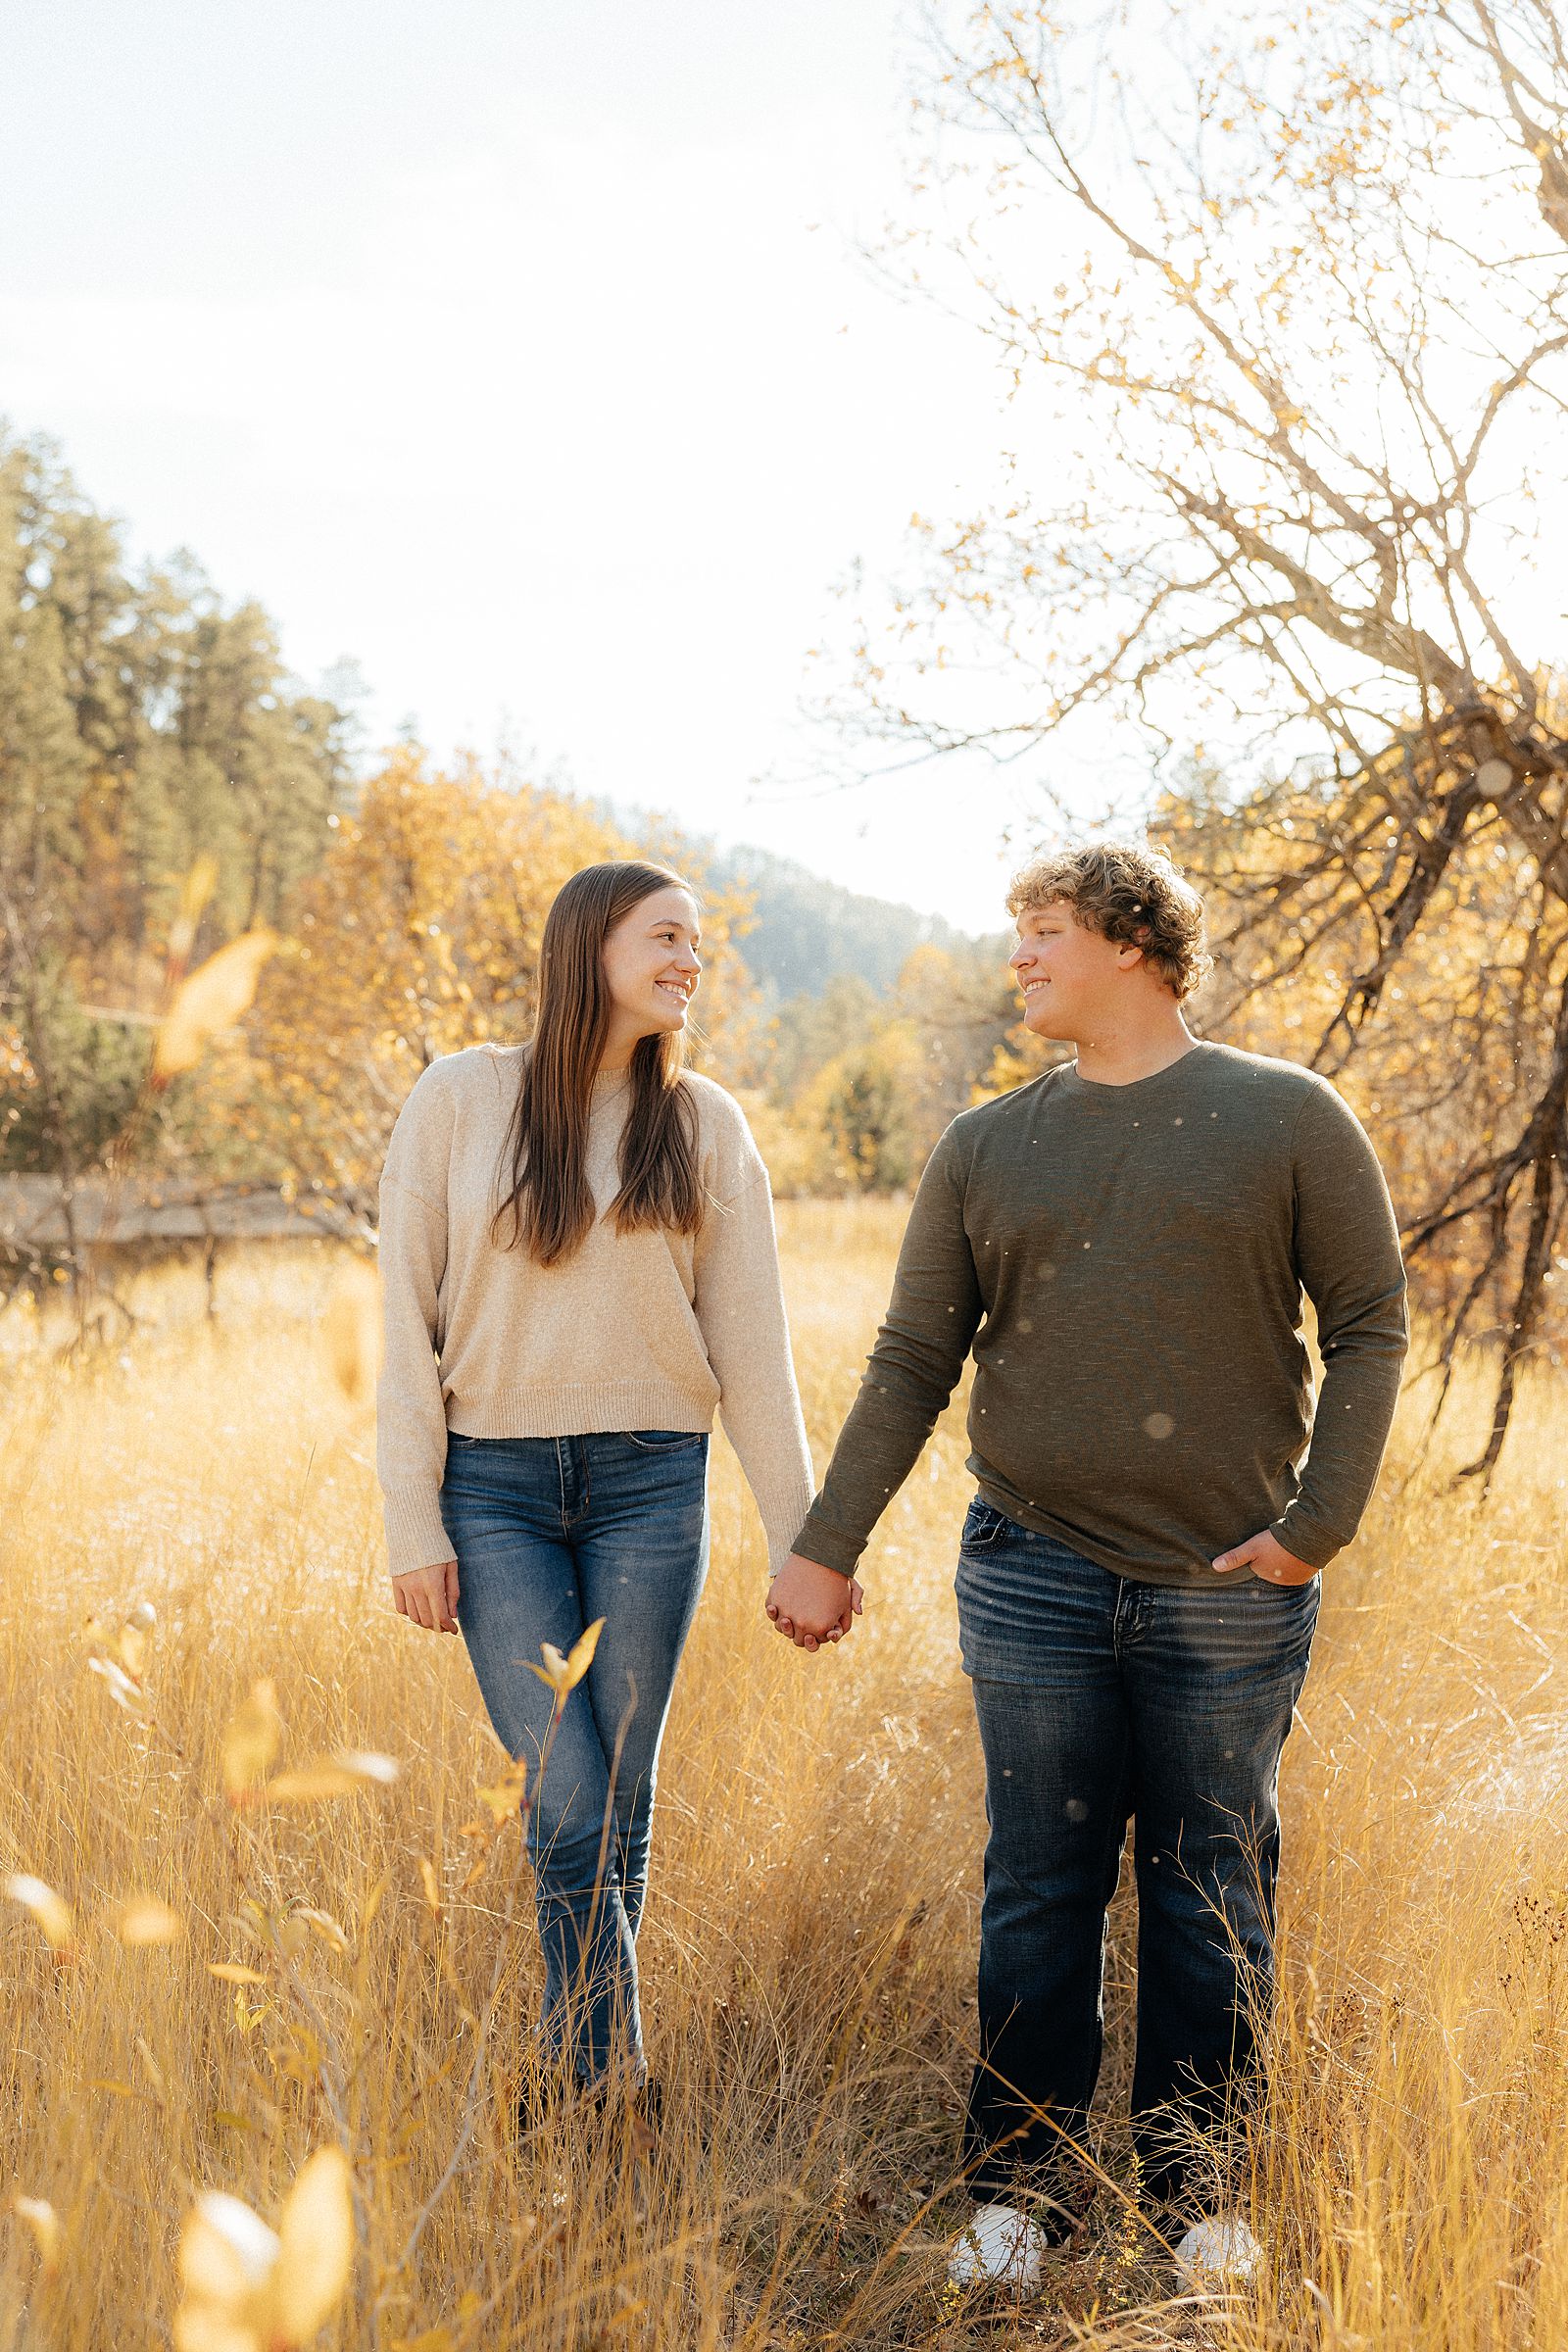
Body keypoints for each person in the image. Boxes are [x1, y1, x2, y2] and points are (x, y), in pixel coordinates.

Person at [766, 842, 1407, 2288]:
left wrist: (1318, 1528)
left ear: (1131, 940)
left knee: (1212, 1889)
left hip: (1229, 1587)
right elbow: (914, 1356)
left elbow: (1370, 1320)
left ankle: (1204, 2196)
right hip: (1034, 1572)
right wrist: (826, 1545)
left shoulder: (1287, 1118)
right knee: (1039, 1888)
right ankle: (1016, 2194)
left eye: (1042, 931)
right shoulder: (988, 1142)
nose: (1019, 959)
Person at [376, 858, 823, 2112]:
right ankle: (605, 2087)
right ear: (591, 946)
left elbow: (754, 1352)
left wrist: (805, 1541)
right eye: (667, 937)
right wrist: (413, 1520)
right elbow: (401, 1326)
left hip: (649, 1487)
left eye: (699, 944)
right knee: (569, 1802)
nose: (693, 961)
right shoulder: (463, 1099)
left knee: (618, 1805)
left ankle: (581, 2095)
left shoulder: (706, 1123)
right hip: (495, 1493)